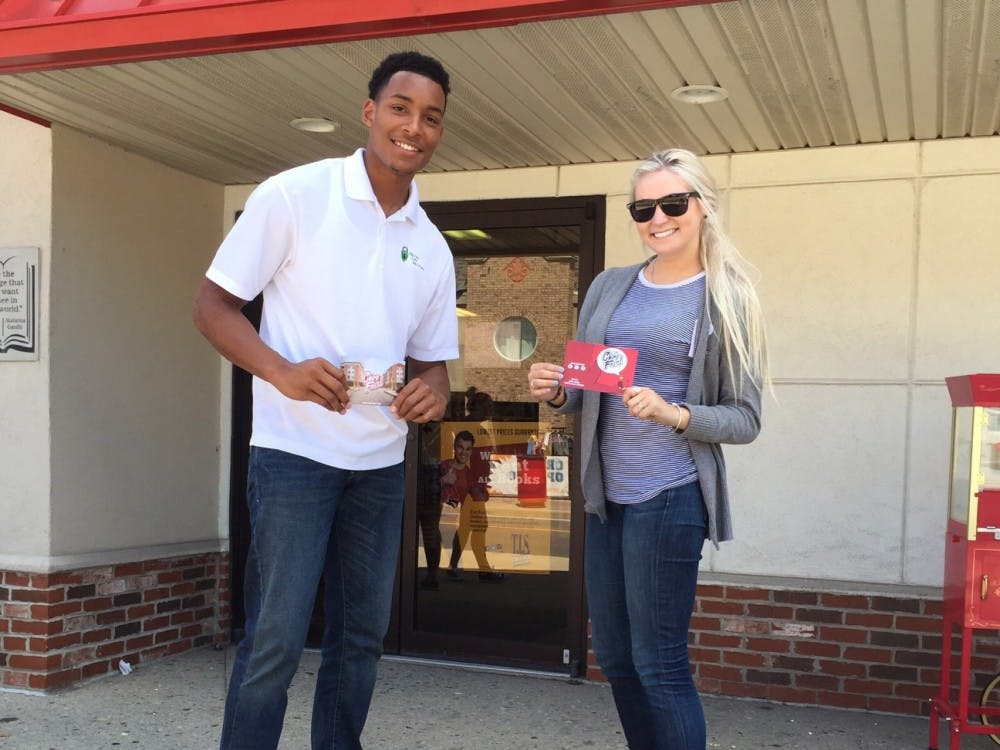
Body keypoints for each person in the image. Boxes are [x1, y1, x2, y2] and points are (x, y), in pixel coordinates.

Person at [191, 51, 456, 750]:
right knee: (275, 639)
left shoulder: (430, 244)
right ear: (370, 113)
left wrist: (432, 391)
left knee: (360, 639)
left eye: (431, 117)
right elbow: (212, 306)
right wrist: (279, 370)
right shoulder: (294, 196)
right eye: (400, 108)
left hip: (379, 465)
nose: (414, 127)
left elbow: (433, 364)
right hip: (292, 457)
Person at [527, 148, 768, 750]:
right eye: (643, 207)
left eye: (672, 203)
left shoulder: (725, 298)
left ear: (703, 207)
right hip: (606, 496)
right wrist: (557, 392)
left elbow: (745, 419)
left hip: (669, 494)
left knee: (659, 663)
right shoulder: (612, 286)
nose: (657, 217)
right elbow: (587, 390)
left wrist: (676, 413)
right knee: (616, 658)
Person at [441, 430, 504, 582]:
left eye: (468, 448)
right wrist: (443, 480)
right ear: (454, 448)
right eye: (461, 447)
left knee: (477, 521)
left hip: (457, 513)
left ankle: (461, 566)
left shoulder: (468, 472)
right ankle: (478, 569)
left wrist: (482, 493)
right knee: (474, 522)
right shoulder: (444, 465)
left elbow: (473, 493)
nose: (464, 452)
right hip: (441, 514)